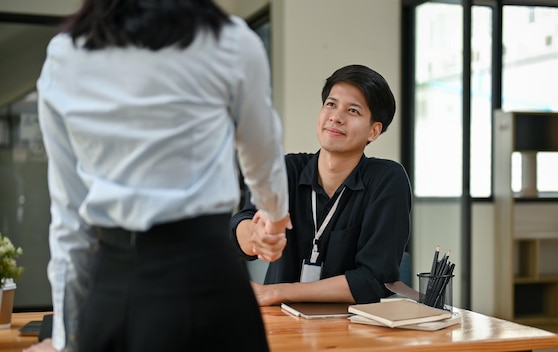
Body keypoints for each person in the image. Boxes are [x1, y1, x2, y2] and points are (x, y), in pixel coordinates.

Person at [25, 0, 291, 351]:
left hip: (112, 289)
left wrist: (67, 340)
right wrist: (274, 220)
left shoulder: (67, 54)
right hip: (206, 282)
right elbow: (262, 157)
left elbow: (69, 221)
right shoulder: (228, 41)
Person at [231, 64, 412, 307]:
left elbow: (374, 279)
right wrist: (256, 235)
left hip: (353, 328)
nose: (336, 117)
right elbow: (241, 227)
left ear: (374, 131)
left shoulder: (387, 180)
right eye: (331, 104)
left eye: (353, 111)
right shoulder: (286, 170)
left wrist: (279, 292)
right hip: (282, 322)